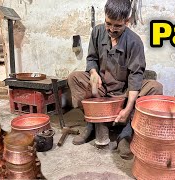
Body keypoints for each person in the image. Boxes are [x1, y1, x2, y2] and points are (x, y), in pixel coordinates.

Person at [68, 0, 163, 160]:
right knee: (74, 78)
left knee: (155, 87)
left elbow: (135, 76)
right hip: (102, 88)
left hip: (124, 91)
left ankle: (125, 135)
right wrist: (93, 73)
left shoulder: (134, 42)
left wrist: (128, 108)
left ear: (127, 21)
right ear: (105, 17)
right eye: (108, 23)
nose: (112, 29)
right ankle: (92, 125)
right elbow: (91, 59)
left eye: (117, 26)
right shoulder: (97, 32)